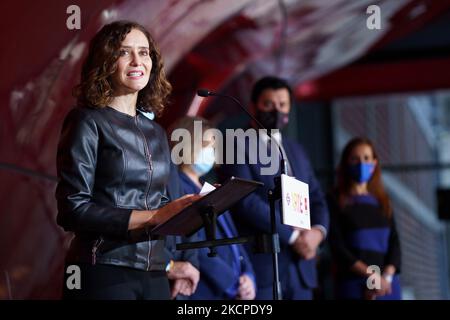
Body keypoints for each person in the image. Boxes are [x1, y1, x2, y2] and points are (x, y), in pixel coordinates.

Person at [55, 20, 200, 300]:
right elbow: (72, 210)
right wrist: (155, 216)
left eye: (144, 52)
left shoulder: (157, 132)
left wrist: (198, 206)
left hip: (155, 271)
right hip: (104, 269)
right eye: (124, 52)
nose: (137, 61)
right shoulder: (87, 121)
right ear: (106, 61)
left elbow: (160, 204)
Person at [220, 76, 329, 300]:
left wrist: (317, 233)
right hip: (263, 264)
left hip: (301, 270)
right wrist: (292, 236)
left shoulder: (295, 149)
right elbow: (245, 200)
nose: (276, 110)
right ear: (253, 106)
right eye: (269, 104)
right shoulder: (236, 144)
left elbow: (316, 196)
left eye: (283, 105)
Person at [168, 116, 257, 300]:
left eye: (213, 146)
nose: (211, 151)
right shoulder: (176, 187)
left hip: (231, 290)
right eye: (206, 144)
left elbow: (233, 239)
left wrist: (248, 276)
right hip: (205, 292)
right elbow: (196, 247)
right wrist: (233, 282)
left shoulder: (209, 187)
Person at [327, 137, 401, 300]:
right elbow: (337, 246)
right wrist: (372, 277)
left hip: (387, 286)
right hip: (353, 283)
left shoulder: (383, 201)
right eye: (355, 159)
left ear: (374, 163)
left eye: (366, 158)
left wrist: (385, 278)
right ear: (346, 163)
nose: (361, 163)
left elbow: (394, 243)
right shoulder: (334, 200)